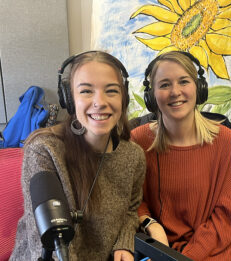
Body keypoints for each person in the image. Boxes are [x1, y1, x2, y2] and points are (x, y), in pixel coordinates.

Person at [10, 51, 146, 261]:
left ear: (123, 98)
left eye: (111, 91)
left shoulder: (133, 156)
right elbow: (43, 241)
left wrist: (124, 244)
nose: (100, 102)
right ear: (70, 100)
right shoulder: (44, 150)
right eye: (86, 91)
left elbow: (131, 210)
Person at [131, 51, 231, 260]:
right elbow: (131, 199)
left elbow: (227, 216)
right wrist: (150, 224)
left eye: (183, 81)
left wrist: (185, 257)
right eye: (164, 85)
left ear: (198, 89)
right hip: (155, 248)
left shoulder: (226, 141)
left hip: (209, 252)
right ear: (151, 96)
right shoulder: (138, 140)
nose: (175, 92)